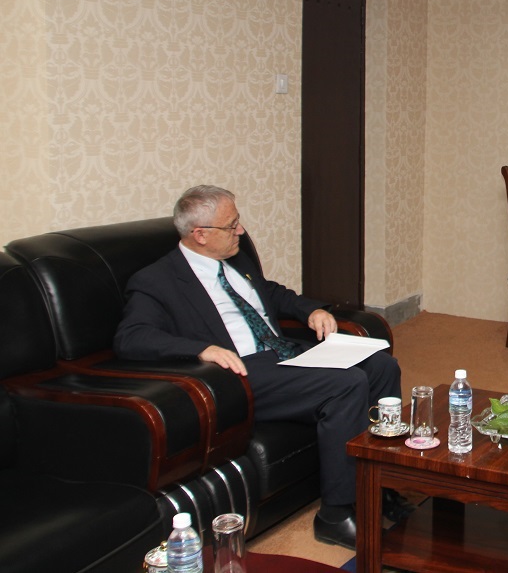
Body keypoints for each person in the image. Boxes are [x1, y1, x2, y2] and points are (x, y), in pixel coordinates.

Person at [114, 185, 404, 550]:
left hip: (283, 353)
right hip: (241, 373)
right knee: (346, 384)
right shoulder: (157, 280)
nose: (240, 231)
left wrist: (310, 310)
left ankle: (380, 485)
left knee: (381, 366)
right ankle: (335, 514)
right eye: (231, 225)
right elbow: (132, 337)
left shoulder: (235, 259)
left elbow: (271, 293)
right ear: (200, 235)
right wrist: (201, 349)